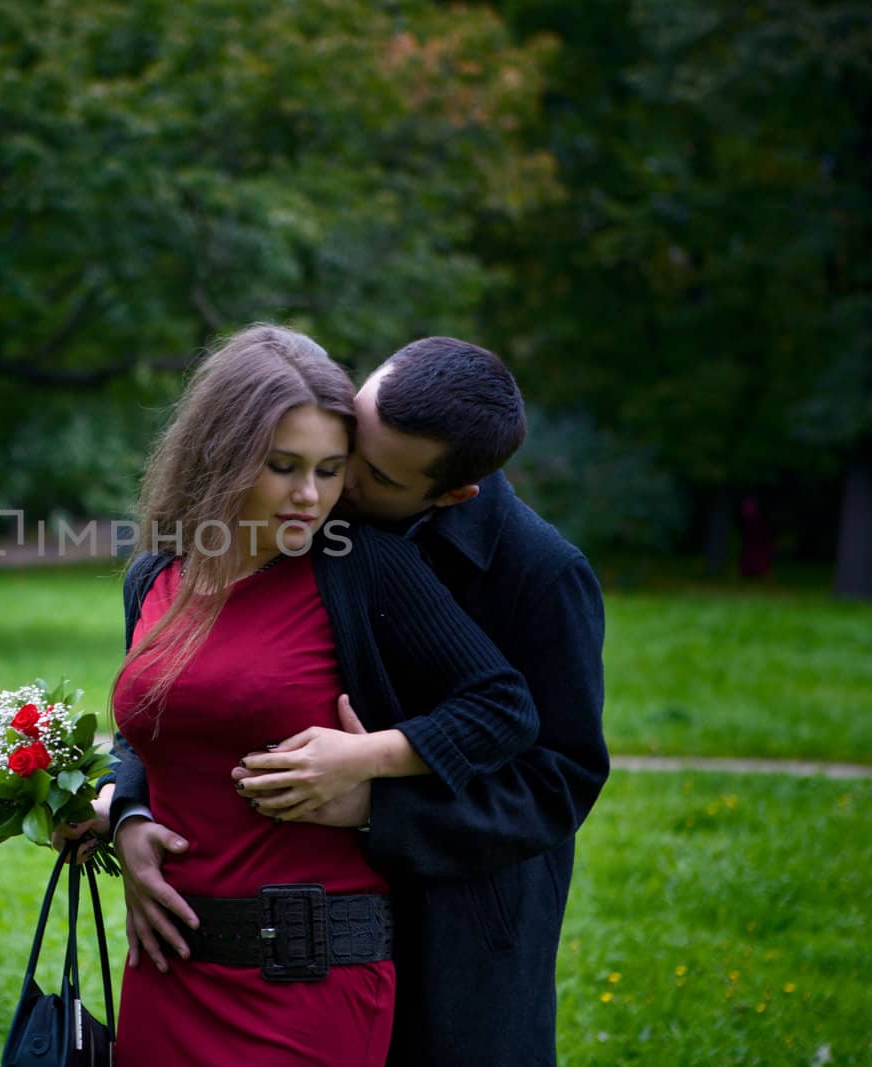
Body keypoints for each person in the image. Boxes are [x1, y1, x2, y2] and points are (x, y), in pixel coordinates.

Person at [108, 336, 609, 1066]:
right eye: (341, 437)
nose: (324, 493)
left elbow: (553, 778)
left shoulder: (539, 574)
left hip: (452, 933)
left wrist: (374, 792)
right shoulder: (219, 555)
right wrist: (130, 808)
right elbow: (176, 704)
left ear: (448, 492)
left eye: (353, 470)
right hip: (228, 939)